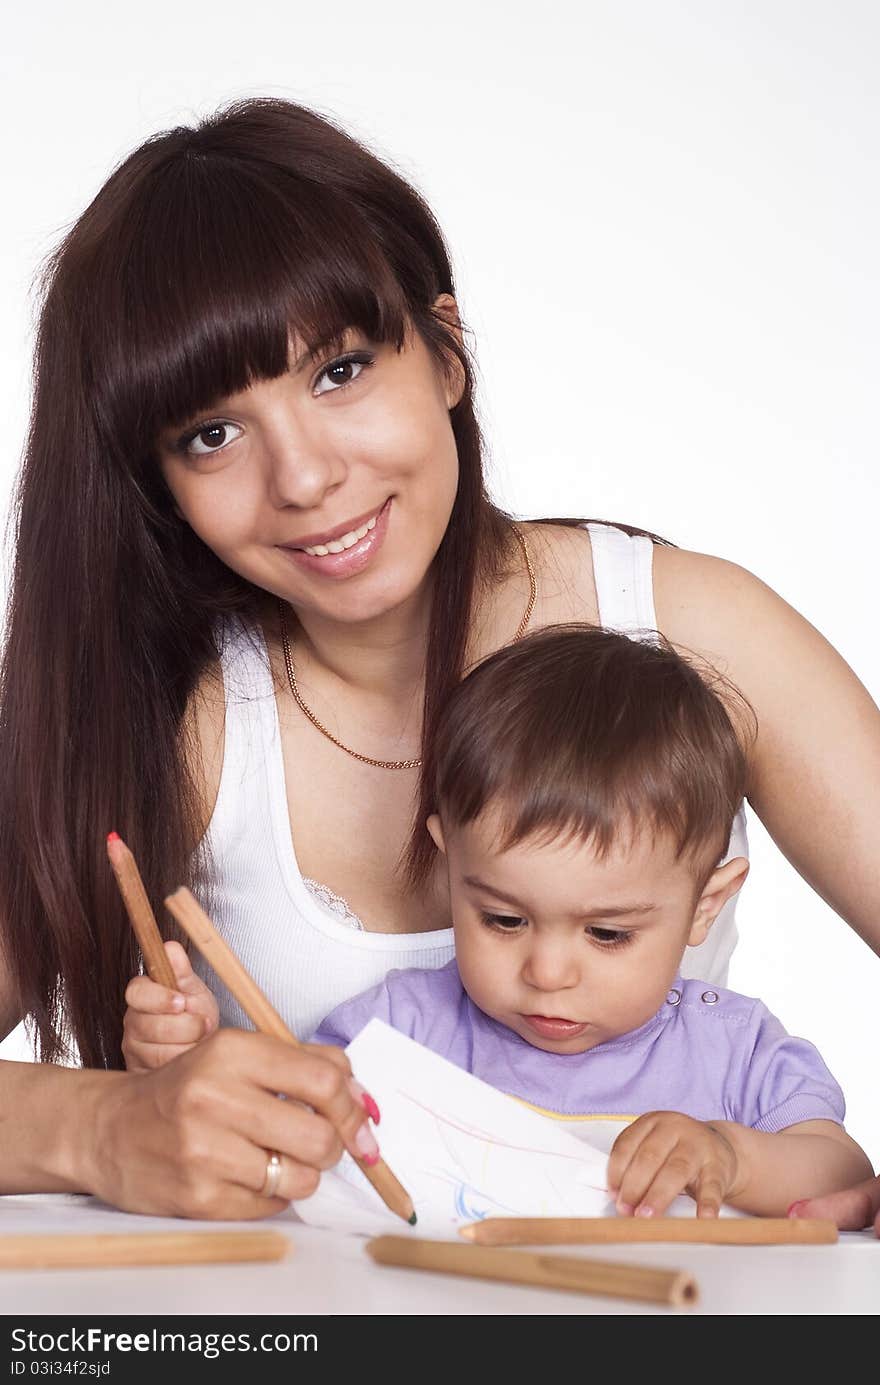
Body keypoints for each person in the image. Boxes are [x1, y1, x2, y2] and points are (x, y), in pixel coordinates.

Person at [1, 98, 879, 1228]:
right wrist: (103, 1127)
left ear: (447, 353)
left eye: (339, 370)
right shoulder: (175, 720)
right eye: (210, 434)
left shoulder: (688, 625)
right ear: (154, 481)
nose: (306, 476)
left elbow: (811, 1165)